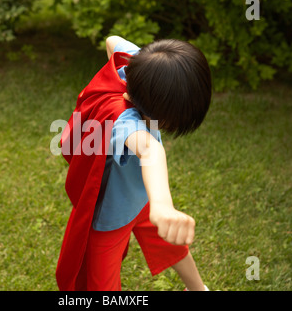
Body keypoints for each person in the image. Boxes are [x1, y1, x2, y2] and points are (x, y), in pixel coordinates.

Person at [56, 35, 212, 291]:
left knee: (172, 244)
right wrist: (163, 206)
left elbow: (111, 41)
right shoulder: (125, 123)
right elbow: (151, 150)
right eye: (170, 121)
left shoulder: (143, 69)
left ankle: (198, 289)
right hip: (111, 217)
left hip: (143, 199)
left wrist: (158, 207)